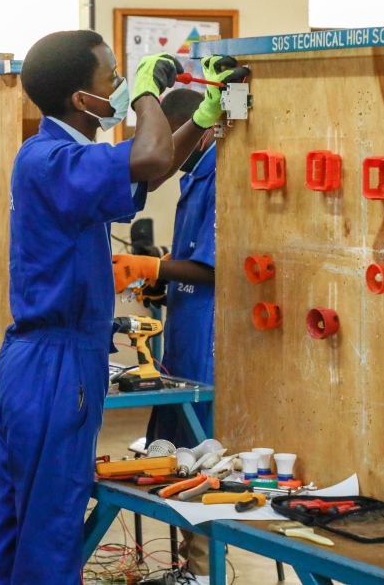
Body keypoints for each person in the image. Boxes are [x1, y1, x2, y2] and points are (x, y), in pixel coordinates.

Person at [0, 30, 189, 585]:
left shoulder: (60, 157)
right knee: (50, 526)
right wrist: (147, 97)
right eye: (111, 78)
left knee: (17, 519)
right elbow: (150, 153)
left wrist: (205, 118)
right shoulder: (53, 160)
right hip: (56, 363)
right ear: (81, 99)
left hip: (44, 360)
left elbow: (153, 167)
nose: (118, 86)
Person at [111, 58, 247, 584]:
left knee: (202, 460)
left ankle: (199, 570)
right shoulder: (194, 174)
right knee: (175, 452)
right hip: (183, 332)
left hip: (208, 338)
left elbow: (215, 267)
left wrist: (153, 265)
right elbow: (192, 262)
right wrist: (162, 280)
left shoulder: (218, 177)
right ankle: (180, 568)